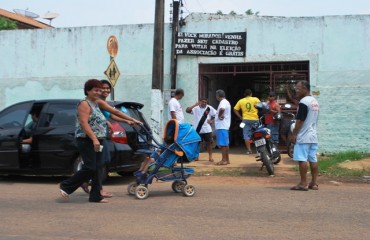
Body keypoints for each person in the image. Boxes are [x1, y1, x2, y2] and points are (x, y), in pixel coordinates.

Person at [59, 79, 140, 203]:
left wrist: (131, 120)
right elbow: (83, 123)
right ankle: (66, 185)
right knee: (90, 167)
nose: (98, 92)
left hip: (99, 139)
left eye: (100, 90)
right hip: (86, 140)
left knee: (98, 168)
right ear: (88, 91)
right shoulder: (84, 104)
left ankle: (95, 196)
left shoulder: (97, 102)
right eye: (95, 90)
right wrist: (94, 139)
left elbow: (115, 112)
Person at [290, 80, 320, 191]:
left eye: (298, 88)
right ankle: (314, 183)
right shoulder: (314, 101)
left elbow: (300, 120)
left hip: (304, 135)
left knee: (302, 159)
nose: (296, 90)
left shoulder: (304, 102)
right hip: (313, 135)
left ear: (305, 89)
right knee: (313, 158)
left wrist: (294, 134)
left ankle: (303, 183)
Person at [186, 97, 217, 162]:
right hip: (197, 129)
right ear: (200, 102)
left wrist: (212, 120)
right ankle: (196, 156)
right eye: (202, 102)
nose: (204, 103)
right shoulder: (195, 108)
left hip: (207, 129)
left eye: (205, 102)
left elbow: (216, 114)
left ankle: (210, 157)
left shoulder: (209, 108)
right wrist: (194, 105)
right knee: (197, 144)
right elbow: (187, 110)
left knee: (209, 143)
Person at [233, 89, 260, 154]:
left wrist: (240, 117)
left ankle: (249, 150)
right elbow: (261, 106)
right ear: (251, 94)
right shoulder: (255, 99)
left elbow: (235, 109)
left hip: (245, 120)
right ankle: (259, 150)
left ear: (244, 94)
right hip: (255, 119)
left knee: (246, 135)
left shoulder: (241, 101)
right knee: (258, 134)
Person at [214, 90, 231, 165]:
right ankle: (227, 160)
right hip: (224, 126)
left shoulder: (223, 102)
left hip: (222, 126)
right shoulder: (226, 101)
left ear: (218, 96)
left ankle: (224, 160)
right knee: (225, 144)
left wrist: (219, 115)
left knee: (223, 144)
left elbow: (222, 109)